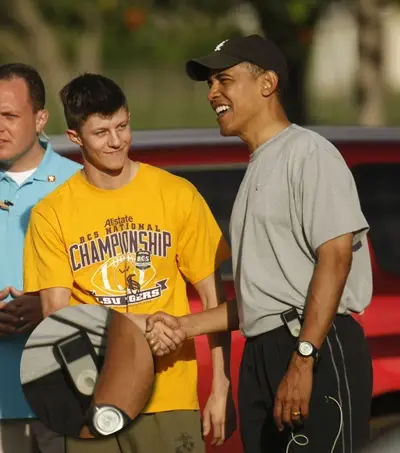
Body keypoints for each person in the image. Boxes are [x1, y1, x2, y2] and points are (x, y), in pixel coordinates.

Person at [145, 35, 374, 453]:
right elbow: (264, 298)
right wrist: (184, 326)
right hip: (263, 351)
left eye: (225, 80)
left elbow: (336, 257)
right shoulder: (257, 166)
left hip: (311, 345)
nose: (213, 93)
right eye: (210, 84)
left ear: (267, 83)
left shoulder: (308, 152)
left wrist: (304, 358)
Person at [23, 73, 236, 453]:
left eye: (122, 125)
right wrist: (142, 325)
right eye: (101, 132)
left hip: (169, 396)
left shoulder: (176, 195)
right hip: (92, 400)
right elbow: (56, 314)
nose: (117, 140)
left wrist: (221, 385)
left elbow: (214, 298)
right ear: (75, 138)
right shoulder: (52, 214)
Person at [0, 63, 81, 453]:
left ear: (40, 118)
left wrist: (50, 308)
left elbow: (113, 283)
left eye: (10, 116)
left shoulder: (79, 184)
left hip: (66, 395)